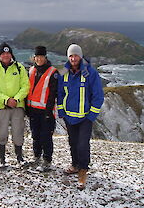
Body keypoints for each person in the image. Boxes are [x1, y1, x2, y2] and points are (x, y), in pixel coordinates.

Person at [57, 44, 104, 190]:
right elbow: (60, 93)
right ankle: (75, 164)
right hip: (69, 117)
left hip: (85, 117)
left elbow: (98, 96)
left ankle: (83, 169)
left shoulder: (90, 73)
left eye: (76, 55)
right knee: (72, 142)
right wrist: (61, 112)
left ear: (81, 56)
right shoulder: (63, 73)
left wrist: (91, 115)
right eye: (71, 56)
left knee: (83, 145)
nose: (73, 58)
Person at [0, 42, 30, 168]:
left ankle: (20, 157)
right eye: (3, 53)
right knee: (2, 133)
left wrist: (16, 99)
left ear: (11, 54)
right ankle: (2, 159)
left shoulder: (19, 68)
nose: (6, 55)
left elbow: (25, 86)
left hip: (17, 106)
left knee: (18, 132)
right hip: (2, 106)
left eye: (8, 53)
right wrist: (6, 100)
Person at [26, 46, 58, 172]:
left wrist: (49, 112)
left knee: (46, 136)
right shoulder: (32, 70)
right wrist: (27, 107)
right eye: (37, 57)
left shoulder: (52, 72)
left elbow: (53, 94)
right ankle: (37, 157)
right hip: (33, 109)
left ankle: (47, 160)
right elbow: (27, 89)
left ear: (45, 57)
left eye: (41, 57)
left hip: (46, 111)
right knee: (35, 135)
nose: (39, 59)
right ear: (34, 57)